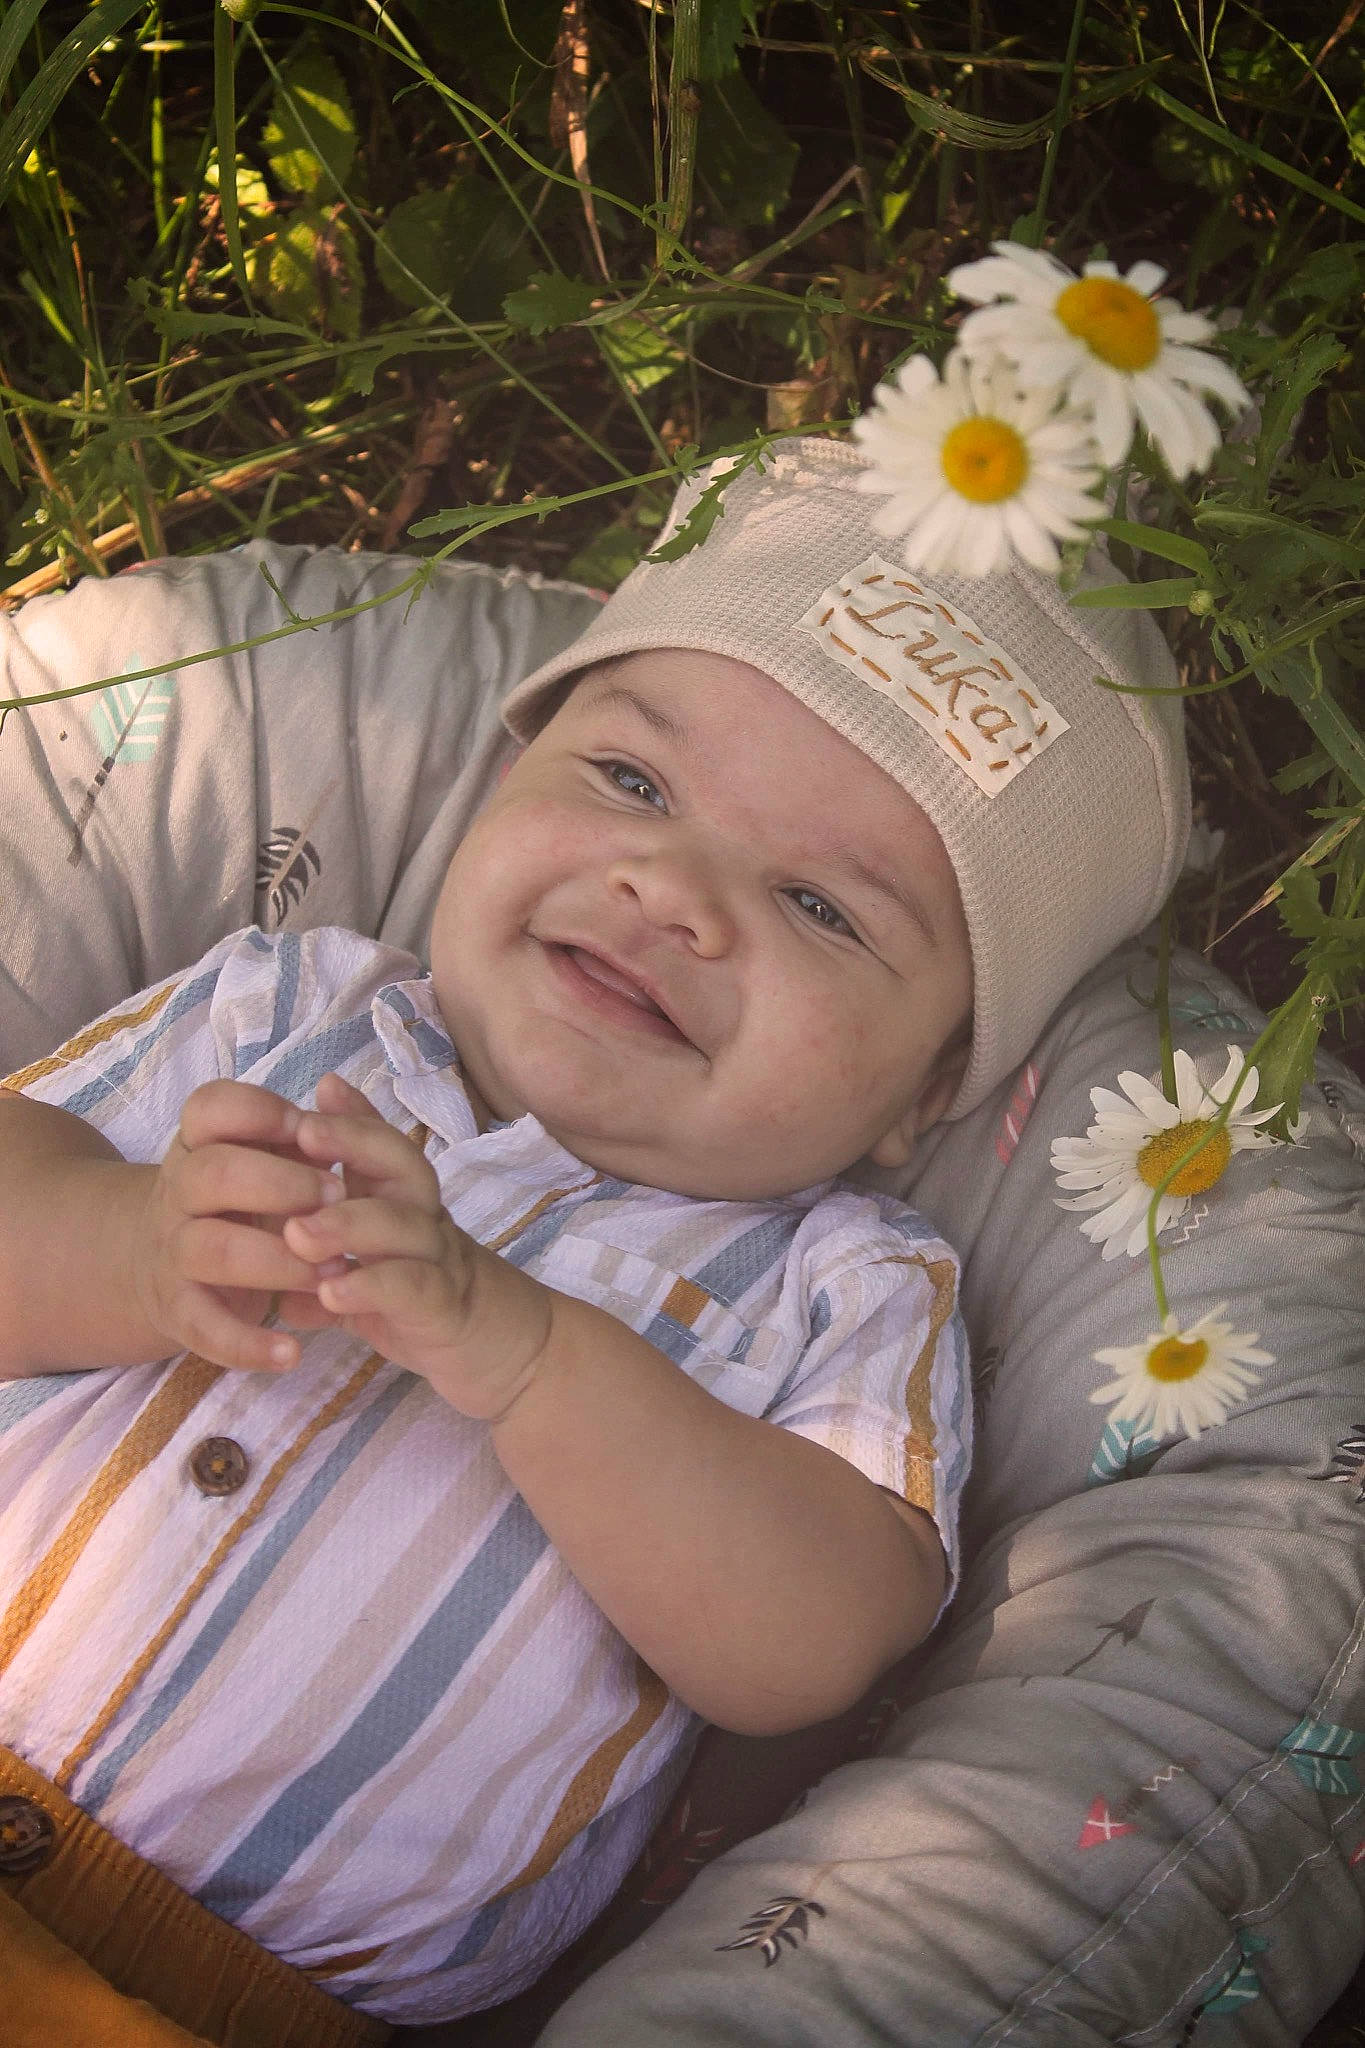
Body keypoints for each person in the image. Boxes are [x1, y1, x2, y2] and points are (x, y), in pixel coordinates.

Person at [0, 437, 1187, 2044]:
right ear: (506, 774)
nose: (670, 892)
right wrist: (136, 1246)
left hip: (211, 1995)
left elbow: (809, 1643)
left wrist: (533, 1357)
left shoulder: (850, 1284)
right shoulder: (275, 1003)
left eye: (823, 907)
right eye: (631, 782)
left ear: (922, 1092)